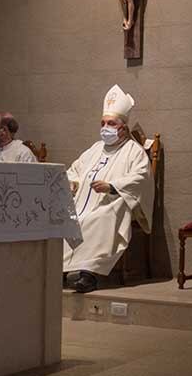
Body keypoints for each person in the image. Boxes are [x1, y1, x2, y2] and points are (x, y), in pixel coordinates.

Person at [62, 85, 154, 293]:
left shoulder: (134, 151)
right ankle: (62, 269)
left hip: (111, 203)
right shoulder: (95, 149)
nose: (106, 127)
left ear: (123, 128)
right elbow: (75, 169)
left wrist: (112, 187)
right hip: (83, 203)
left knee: (100, 218)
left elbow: (141, 178)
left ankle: (89, 274)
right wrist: (73, 181)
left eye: (111, 123)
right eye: (103, 123)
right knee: (67, 217)